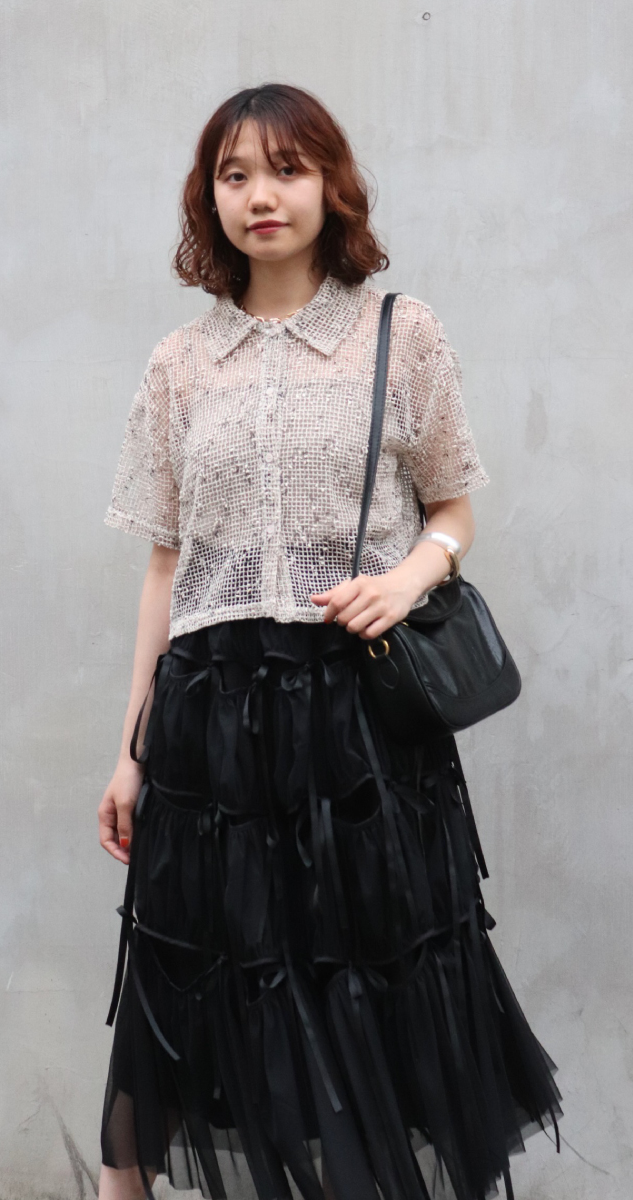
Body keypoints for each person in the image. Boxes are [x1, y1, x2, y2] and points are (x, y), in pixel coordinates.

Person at [97, 83, 563, 1200]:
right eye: (234, 175)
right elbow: (166, 569)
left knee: (377, 983)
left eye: (286, 169)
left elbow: (452, 508)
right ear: (209, 200)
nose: (261, 195)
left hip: (357, 723)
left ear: (330, 186)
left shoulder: (400, 335)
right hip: (208, 725)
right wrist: (128, 751)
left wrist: (405, 579)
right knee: (190, 976)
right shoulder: (179, 364)